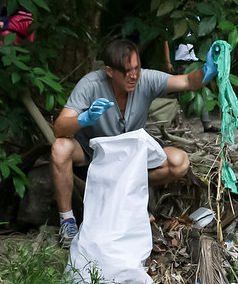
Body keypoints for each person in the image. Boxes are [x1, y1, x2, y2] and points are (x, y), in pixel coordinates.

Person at [51, 38, 219, 246]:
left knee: (179, 161)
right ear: (110, 71)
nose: (133, 75)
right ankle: (67, 222)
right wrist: (83, 119)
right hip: (93, 156)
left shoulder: (145, 79)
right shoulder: (91, 84)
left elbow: (187, 81)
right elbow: (59, 128)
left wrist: (207, 70)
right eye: (126, 71)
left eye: (136, 68)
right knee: (60, 148)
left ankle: (131, 193)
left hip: (131, 160)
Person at [163, 40, 219, 133]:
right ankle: (181, 124)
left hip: (196, 61)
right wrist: (168, 61)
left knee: (201, 93)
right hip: (181, 62)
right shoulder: (177, 28)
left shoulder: (196, 27)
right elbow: (167, 42)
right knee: (182, 95)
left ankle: (207, 124)